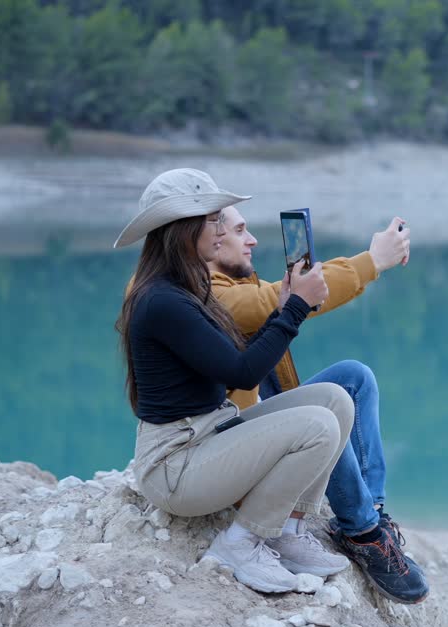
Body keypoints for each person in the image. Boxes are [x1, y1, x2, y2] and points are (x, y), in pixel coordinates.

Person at [114, 167, 352, 595]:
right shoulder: (162, 300)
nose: (221, 231)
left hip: (210, 433)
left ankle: (287, 531)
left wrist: (283, 308)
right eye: (213, 220)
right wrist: (295, 309)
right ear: (184, 229)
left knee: (335, 400)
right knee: (317, 426)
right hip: (175, 467)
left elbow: (234, 362)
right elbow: (242, 373)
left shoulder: (186, 287)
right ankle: (240, 544)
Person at [205, 203, 429, 604]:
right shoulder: (205, 293)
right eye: (240, 231)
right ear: (209, 239)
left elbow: (279, 299)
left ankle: (371, 513)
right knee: (324, 411)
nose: (252, 240)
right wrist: (372, 261)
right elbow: (276, 300)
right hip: (234, 450)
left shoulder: (229, 281)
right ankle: (363, 532)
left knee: (354, 378)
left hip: (258, 423)